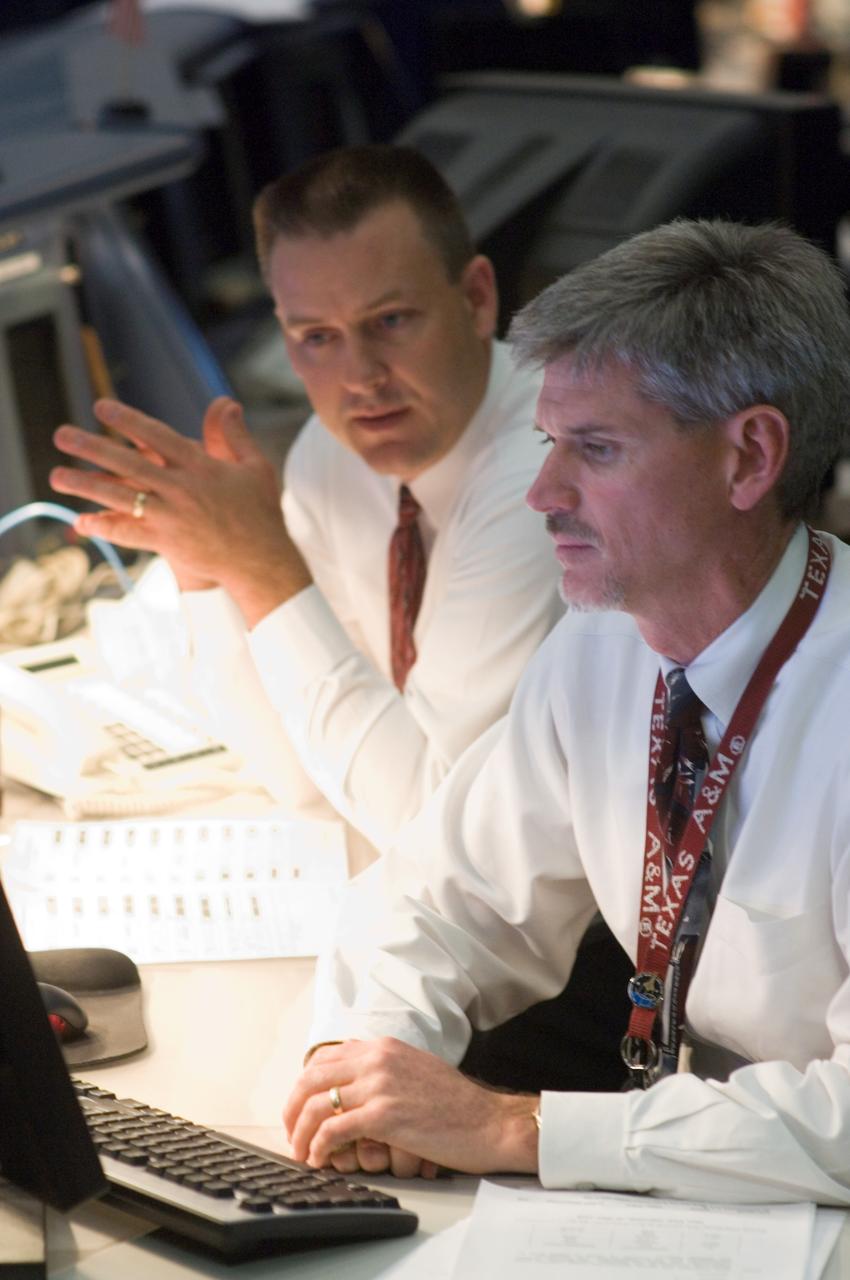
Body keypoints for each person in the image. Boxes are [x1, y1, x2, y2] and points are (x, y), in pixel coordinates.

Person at [282, 218, 850, 1206]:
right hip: (689, 1197)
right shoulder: (602, 651)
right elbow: (434, 899)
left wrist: (511, 1122)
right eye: (547, 442)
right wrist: (366, 1066)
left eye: (595, 448)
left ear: (749, 457)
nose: (543, 491)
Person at [50, 145, 631, 1093]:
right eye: (314, 336)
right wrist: (209, 573)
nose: (359, 377)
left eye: (389, 321)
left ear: (478, 299)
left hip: (577, 976)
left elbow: (429, 818)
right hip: (423, 937)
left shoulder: (546, 466)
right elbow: (294, 771)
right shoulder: (333, 453)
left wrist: (266, 570)